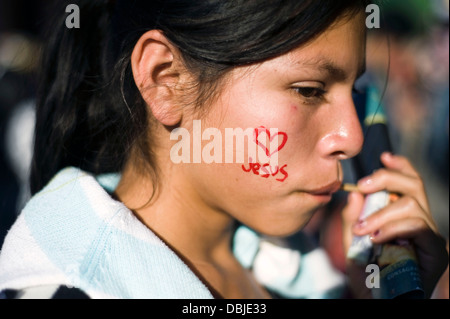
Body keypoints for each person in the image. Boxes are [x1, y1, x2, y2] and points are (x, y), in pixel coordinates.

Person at [0, 0, 447, 299]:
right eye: (310, 90)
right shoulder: (69, 288)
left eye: (354, 91)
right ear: (165, 80)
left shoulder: (296, 267)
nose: (352, 137)